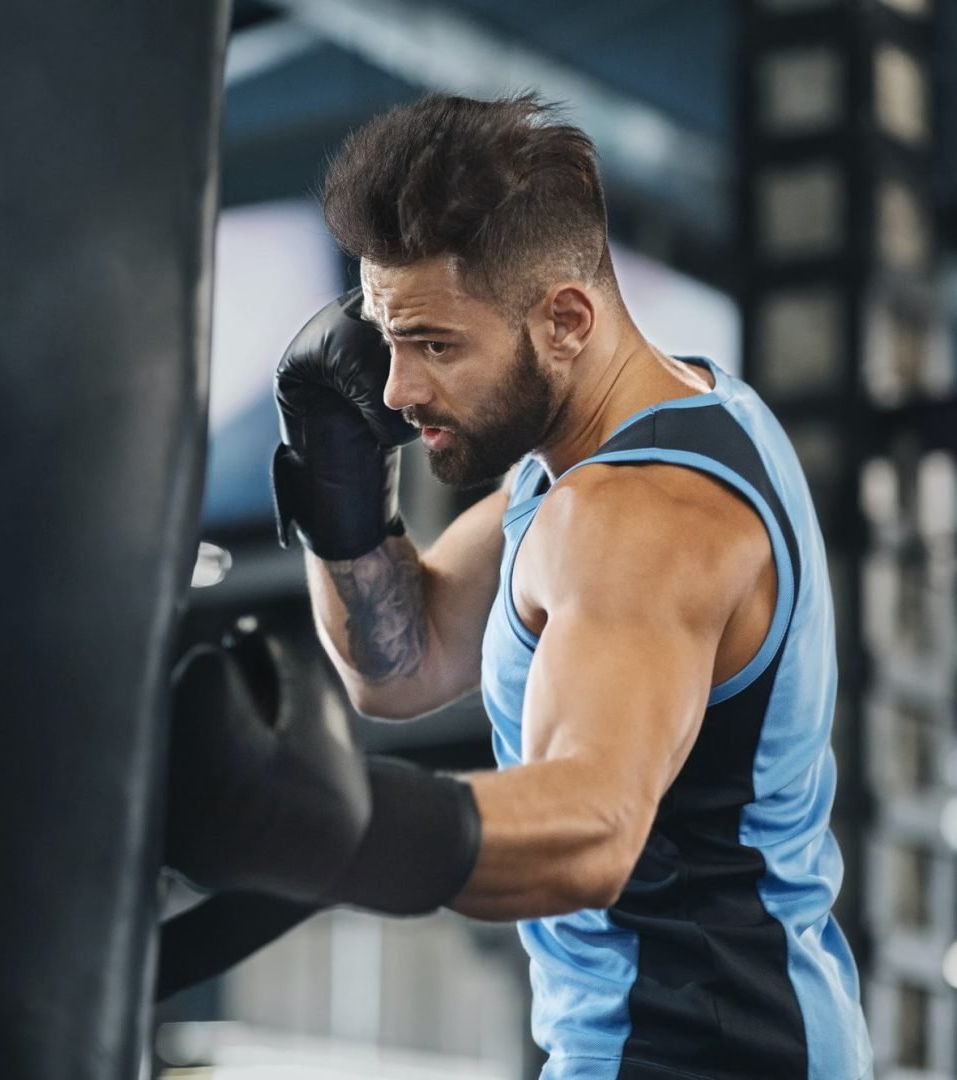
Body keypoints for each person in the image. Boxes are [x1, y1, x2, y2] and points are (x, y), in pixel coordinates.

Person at [162, 93, 873, 1080]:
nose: (401, 391)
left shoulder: (640, 521)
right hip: (668, 1036)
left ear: (567, 319)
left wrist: (339, 828)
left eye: (437, 345)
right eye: (388, 337)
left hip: (702, 1051)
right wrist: (340, 495)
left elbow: (593, 835)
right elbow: (400, 667)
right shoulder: (595, 460)